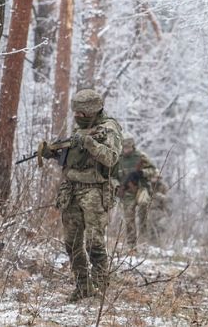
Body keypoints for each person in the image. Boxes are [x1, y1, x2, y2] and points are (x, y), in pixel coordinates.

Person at [48, 88, 123, 302]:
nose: (77, 117)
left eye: (81, 113)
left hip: (95, 190)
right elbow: (75, 158)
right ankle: (83, 287)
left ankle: (99, 289)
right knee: (71, 243)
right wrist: (54, 153)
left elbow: (110, 158)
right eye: (76, 113)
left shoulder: (109, 128)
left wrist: (89, 143)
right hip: (71, 189)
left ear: (92, 110)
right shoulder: (81, 129)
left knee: (94, 243)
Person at [114, 134, 159, 248]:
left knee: (144, 204)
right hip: (127, 193)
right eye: (124, 147)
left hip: (141, 189)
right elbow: (112, 176)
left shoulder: (141, 157)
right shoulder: (118, 159)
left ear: (133, 147)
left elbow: (154, 171)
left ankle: (144, 238)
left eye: (128, 147)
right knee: (129, 219)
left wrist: (142, 173)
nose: (126, 150)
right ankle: (131, 245)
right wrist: (117, 186)